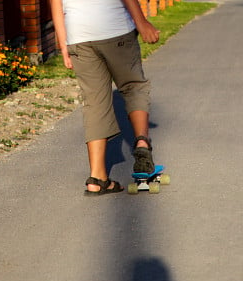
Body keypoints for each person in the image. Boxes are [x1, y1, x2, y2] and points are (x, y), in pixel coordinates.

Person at [49, 0, 160, 195]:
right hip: (115, 28)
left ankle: (97, 179)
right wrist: (141, 22)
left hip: (79, 36)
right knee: (133, 86)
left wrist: (63, 43)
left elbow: (55, 3)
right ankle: (142, 143)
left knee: (94, 102)